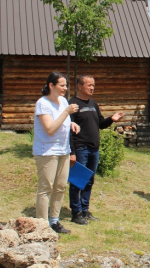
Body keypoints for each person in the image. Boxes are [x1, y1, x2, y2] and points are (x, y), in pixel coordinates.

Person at [69, 75, 124, 225]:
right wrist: (72, 152)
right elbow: (68, 129)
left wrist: (111, 119)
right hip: (80, 148)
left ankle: (85, 209)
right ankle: (76, 212)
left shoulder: (93, 104)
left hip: (94, 148)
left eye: (93, 85)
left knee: (89, 180)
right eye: (89, 85)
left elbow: (100, 123)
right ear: (79, 86)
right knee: (77, 181)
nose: (92, 88)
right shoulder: (72, 104)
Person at [33, 72, 80, 234]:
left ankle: (54, 221)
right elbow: (50, 129)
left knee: (60, 187)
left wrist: (72, 123)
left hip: (63, 150)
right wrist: (67, 112)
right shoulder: (42, 103)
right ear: (51, 85)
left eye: (66, 85)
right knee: (46, 188)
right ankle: (42, 225)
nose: (65, 88)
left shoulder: (63, 101)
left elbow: (61, 121)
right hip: (47, 151)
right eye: (61, 85)